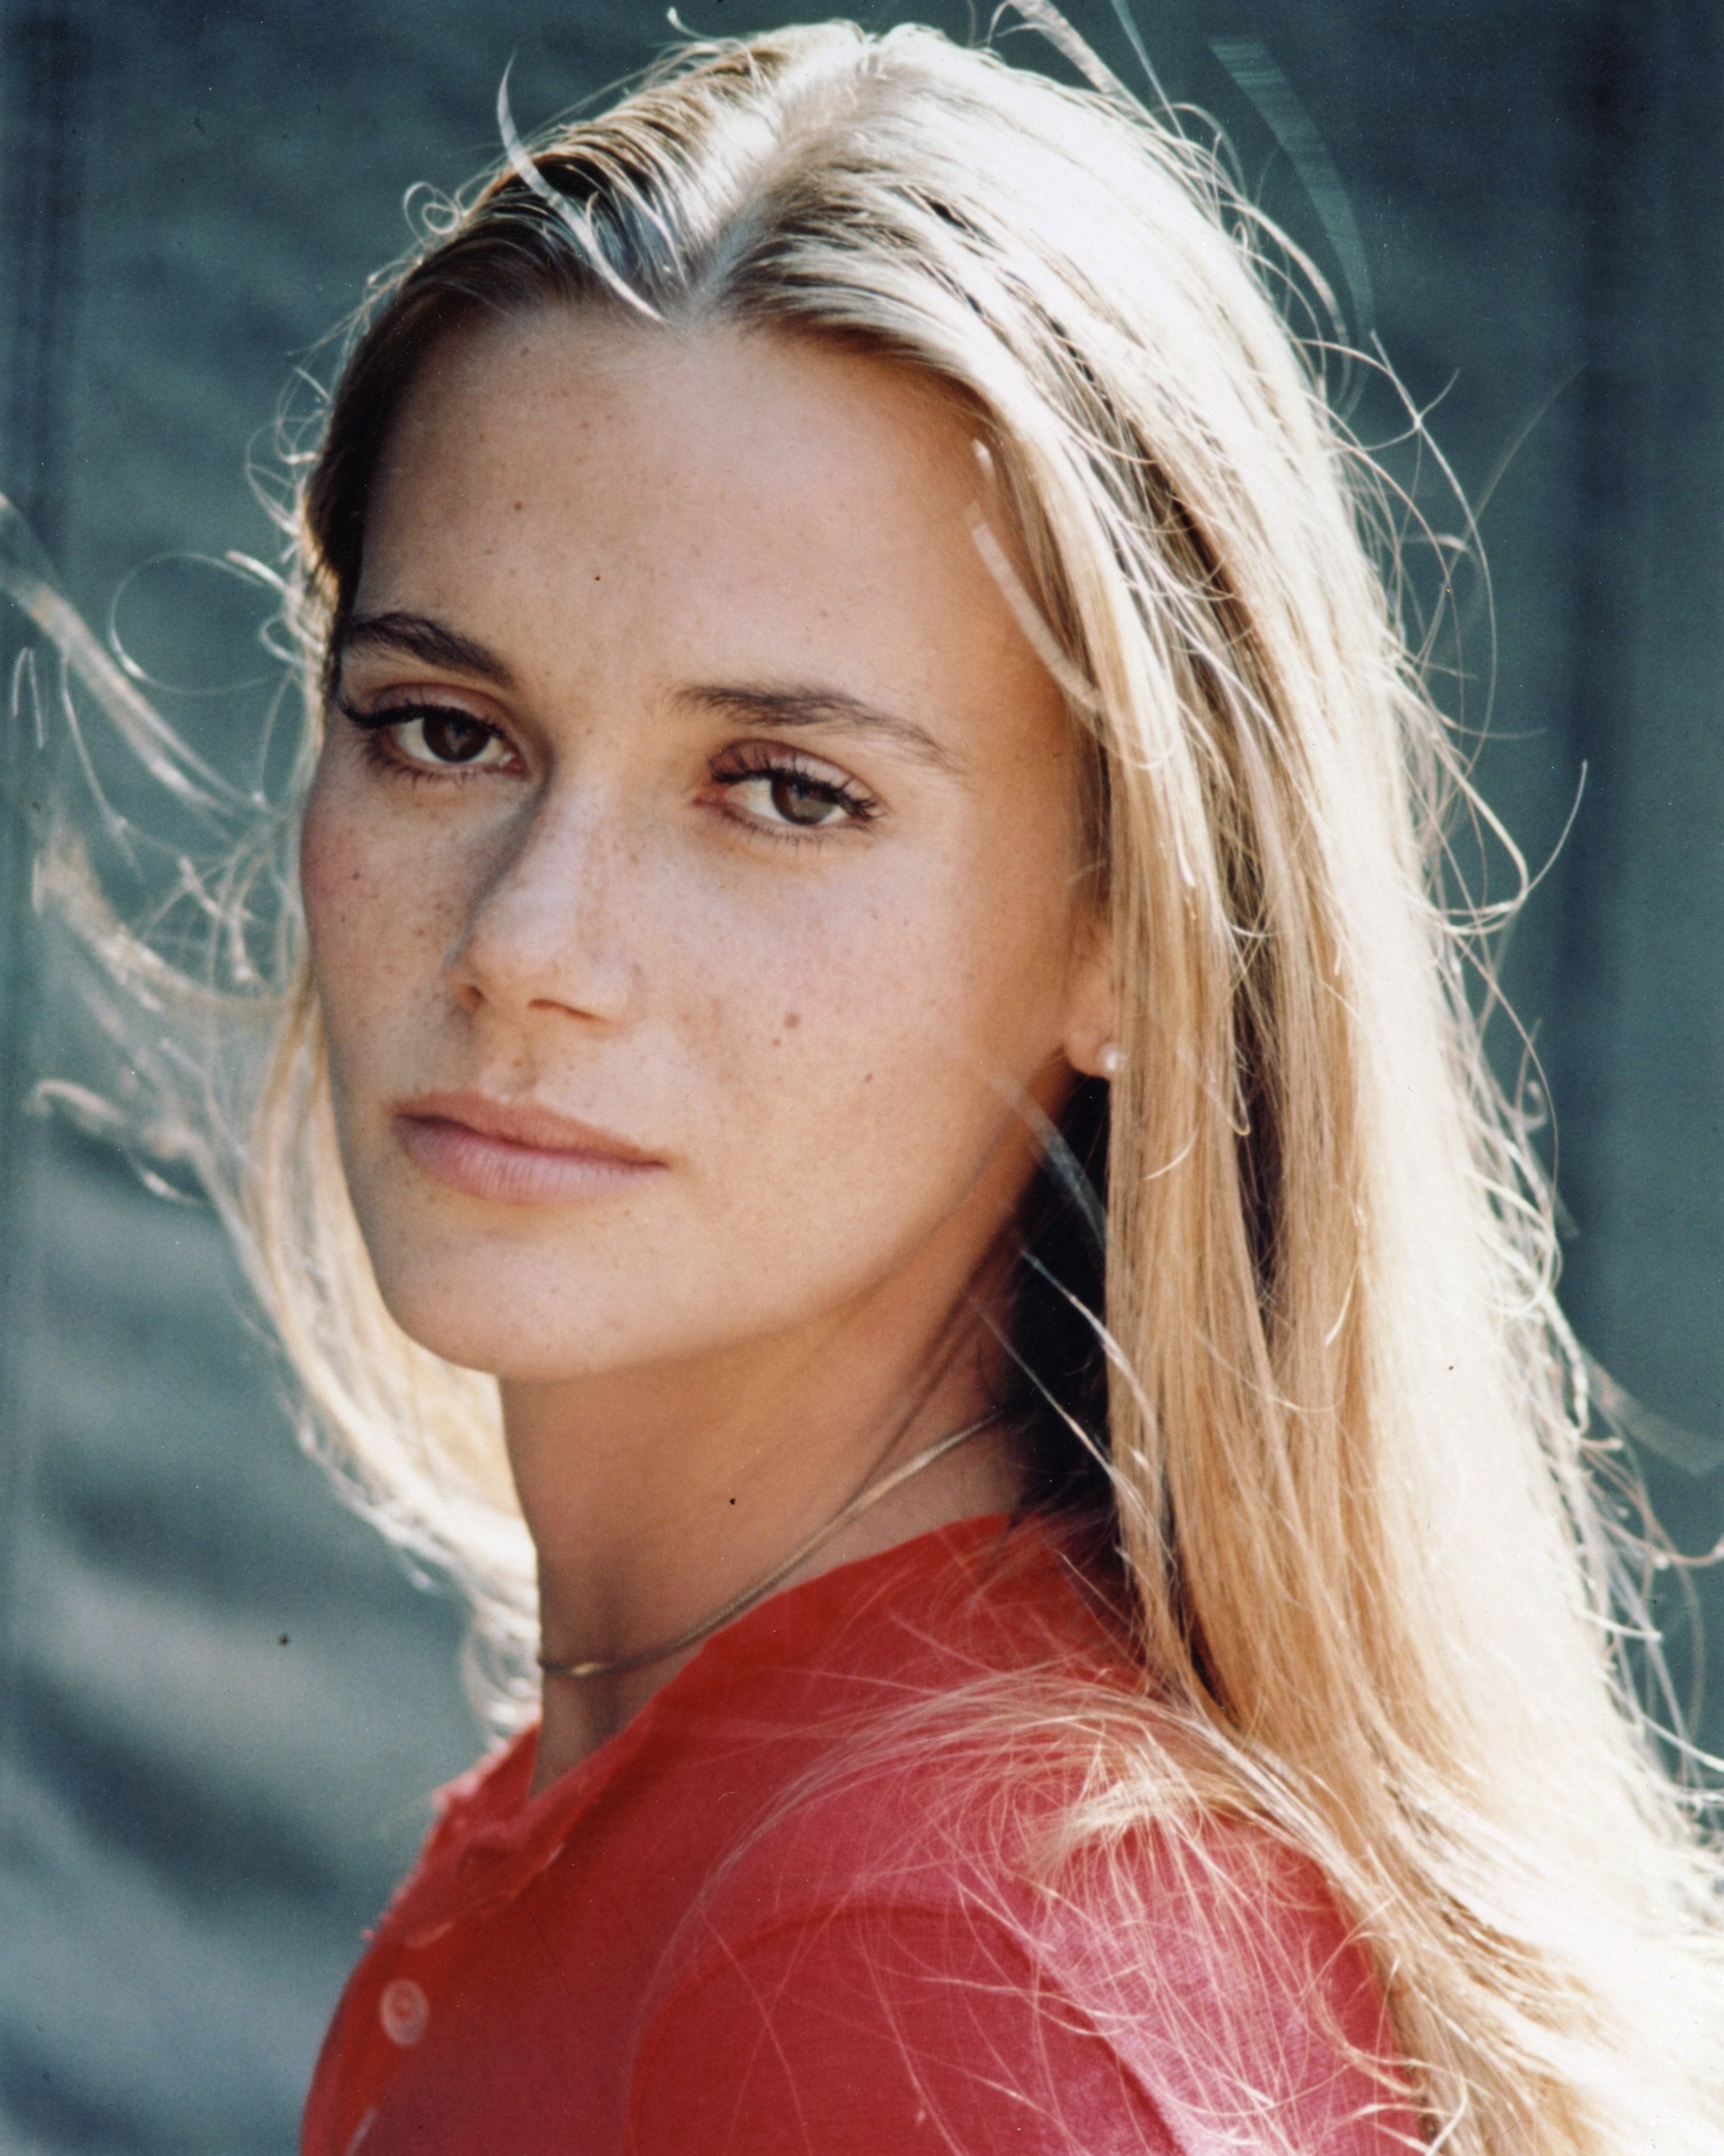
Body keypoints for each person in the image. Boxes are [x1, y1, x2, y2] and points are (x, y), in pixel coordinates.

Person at [27, 11, 1724, 2153]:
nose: (529, 941)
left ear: (1130, 923)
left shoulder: (923, 1977)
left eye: (783, 789)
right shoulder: (709, 1822)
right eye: (443, 727)